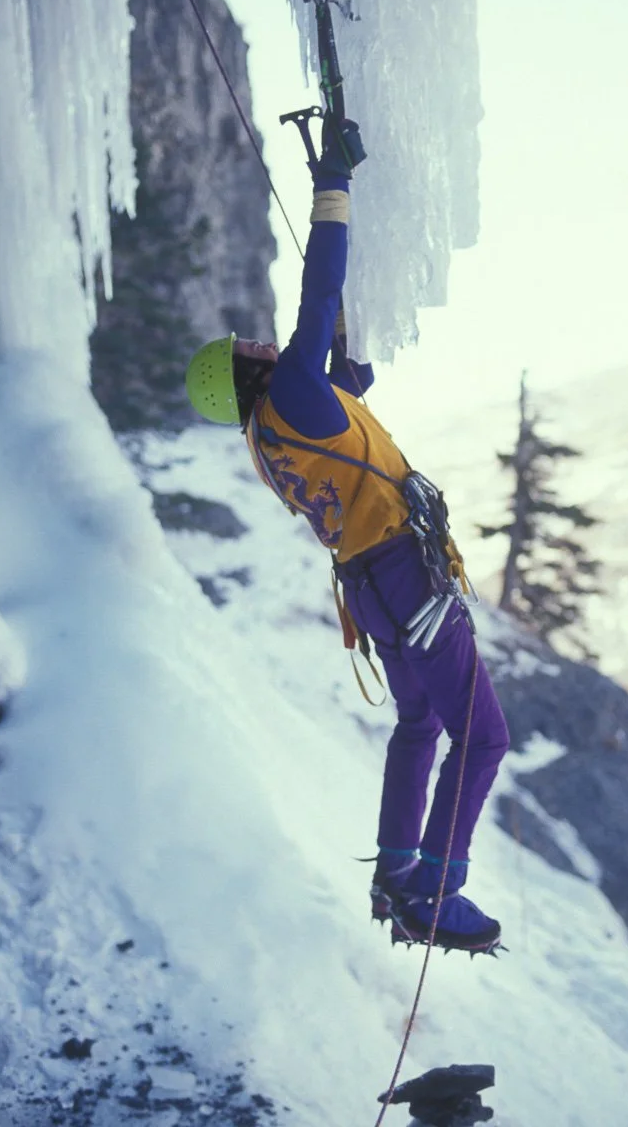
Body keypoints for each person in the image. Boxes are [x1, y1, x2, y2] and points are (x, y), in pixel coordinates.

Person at [185, 120, 510, 954]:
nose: (257, 342)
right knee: (479, 735)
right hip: (402, 574)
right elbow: (319, 296)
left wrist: (346, 373)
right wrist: (333, 185)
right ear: (249, 375)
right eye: (245, 349)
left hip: (370, 587)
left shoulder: (271, 433)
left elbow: (344, 386)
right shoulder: (289, 389)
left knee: (419, 725)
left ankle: (397, 871)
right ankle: (433, 892)